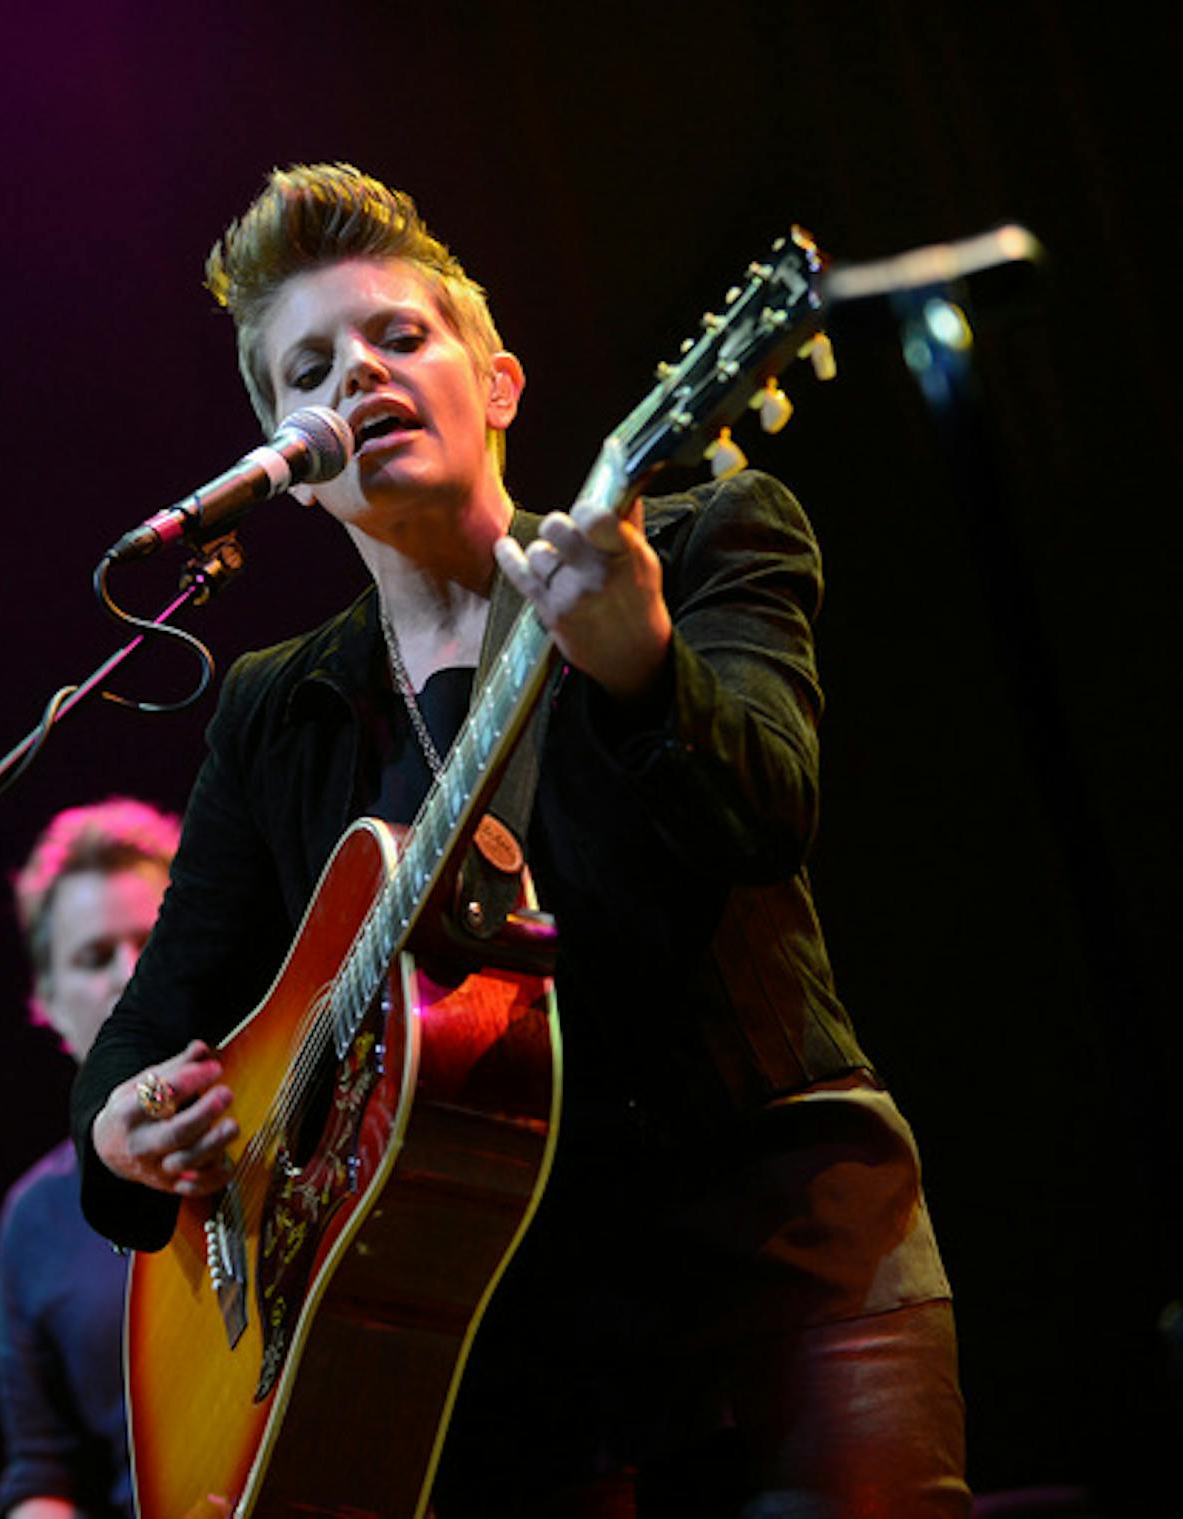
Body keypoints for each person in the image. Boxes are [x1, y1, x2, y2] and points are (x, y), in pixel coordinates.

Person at [69, 164, 970, 1515]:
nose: (358, 374)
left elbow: (767, 816)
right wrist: (131, 1129)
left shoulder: (707, 535)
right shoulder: (278, 710)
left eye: (398, 337)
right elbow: (148, 1025)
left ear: (496, 383)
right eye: (310, 367)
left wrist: (644, 668)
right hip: (491, 1336)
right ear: (288, 466)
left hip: (776, 1253)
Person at [0, 799, 181, 1519]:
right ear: (46, 999)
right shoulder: (34, 1216)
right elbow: (43, 1471)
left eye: (152, 941)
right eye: (94, 956)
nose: (127, 975)